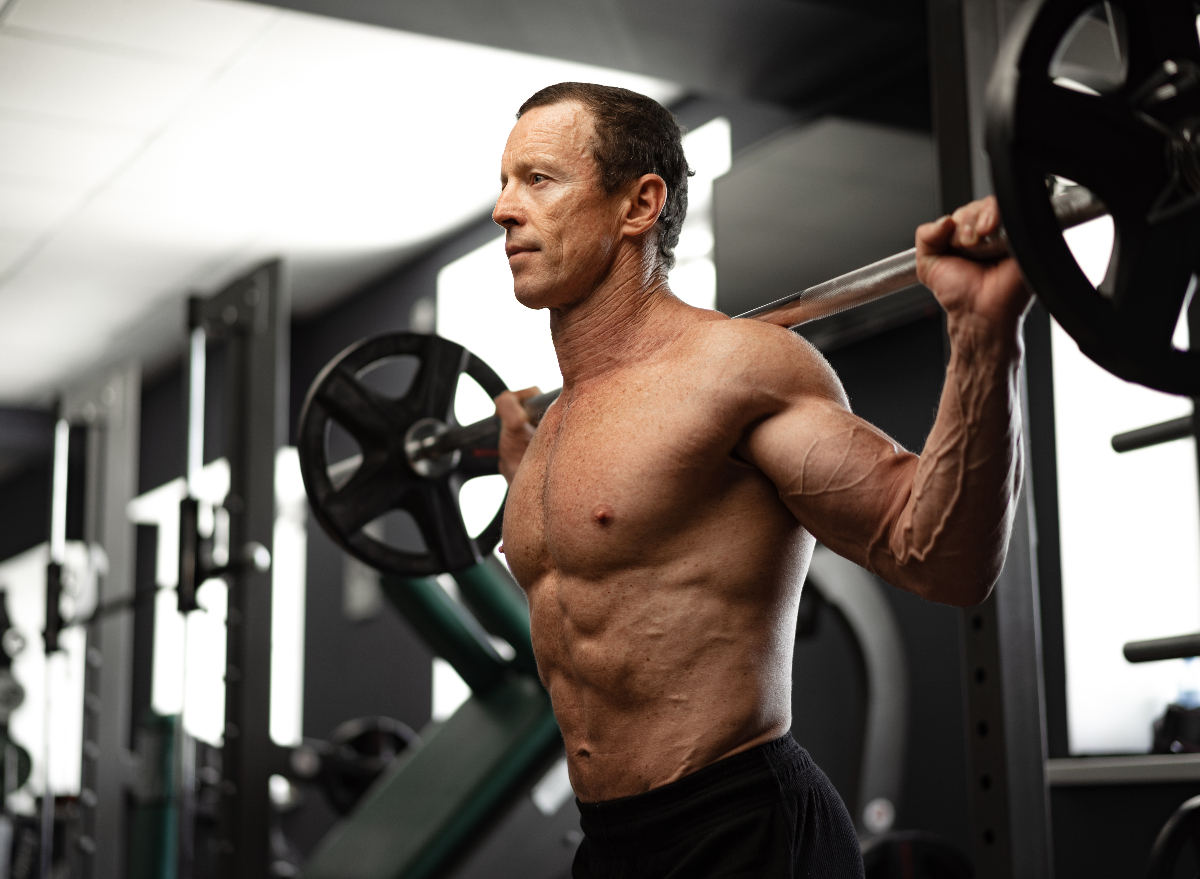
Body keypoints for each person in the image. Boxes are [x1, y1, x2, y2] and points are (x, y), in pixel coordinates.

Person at [491, 82, 1027, 879]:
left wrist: (983, 335)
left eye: (537, 179)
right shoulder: (551, 433)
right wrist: (516, 466)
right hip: (609, 844)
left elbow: (940, 556)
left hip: (742, 832)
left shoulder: (737, 371)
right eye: (503, 182)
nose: (503, 209)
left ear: (639, 205)